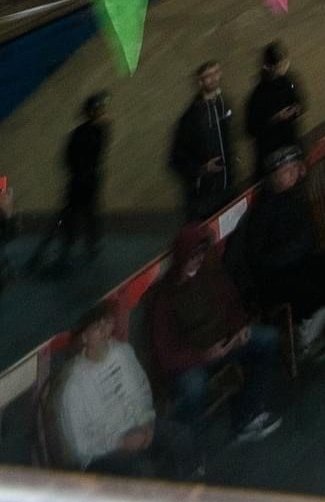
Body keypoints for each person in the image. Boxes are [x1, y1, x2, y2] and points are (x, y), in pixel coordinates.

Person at [146, 225, 281, 443]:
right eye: (193, 255)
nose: (198, 259)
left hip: (224, 343)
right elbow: (167, 353)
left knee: (267, 339)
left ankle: (247, 414)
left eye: (201, 253)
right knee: (193, 388)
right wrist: (203, 356)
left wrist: (240, 327)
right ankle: (191, 446)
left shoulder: (210, 272)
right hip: (191, 360)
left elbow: (232, 303)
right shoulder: (165, 296)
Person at [55, 302, 199, 480]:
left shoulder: (123, 352)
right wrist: (120, 442)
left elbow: (142, 389)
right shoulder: (74, 385)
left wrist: (146, 423)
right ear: (83, 337)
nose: (104, 330)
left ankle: (190, 489)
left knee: (181, 437)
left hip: (139, 427)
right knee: (141, 470)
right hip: (105, 453)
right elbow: (80, 445)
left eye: (106, 322)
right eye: (96, 327)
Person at [235, 146, 325, 359]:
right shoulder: (263, 209)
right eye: (287, 171)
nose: (293, 174)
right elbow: (258, 259)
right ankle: (307, 340)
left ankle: (310, 331)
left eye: (295, 168)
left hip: (298, 263)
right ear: (274, 176)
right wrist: (294, 253)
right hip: (274, 277)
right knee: (310, 286)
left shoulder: (293, 197)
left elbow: (307, 235)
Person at [30, 92, 109, 275]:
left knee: (73, 215)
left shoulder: (84, 132)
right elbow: (79, 157)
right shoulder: (96, 132)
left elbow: (69, 158)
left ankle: (64, 248)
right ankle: (79, 247)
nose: (102, 112)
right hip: (85, 182)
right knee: (80, 215)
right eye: (99, 109)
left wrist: (78, 173)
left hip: (81, 181)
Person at [168, 63, 235, 221]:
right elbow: (175, 159)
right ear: (200, 82)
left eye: (216, 73)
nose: (213, 78)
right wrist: (202, 168)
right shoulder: (191, 117)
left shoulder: (223, 106)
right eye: (208, 76)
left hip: (227, 188)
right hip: (204, 194)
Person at [245, 43, 306, 180]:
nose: (285, 66)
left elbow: (299, 101)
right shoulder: (258, 94)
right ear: (271, 66)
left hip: (291, 146)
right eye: (281, 64)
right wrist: (275, 119)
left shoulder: (288, 81)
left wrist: (297, 109)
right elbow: (251, 128)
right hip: (272, 157)